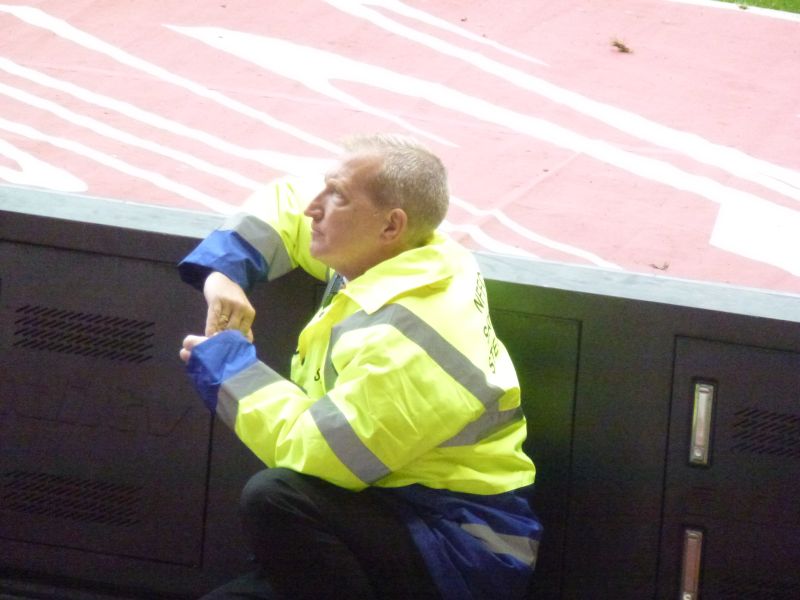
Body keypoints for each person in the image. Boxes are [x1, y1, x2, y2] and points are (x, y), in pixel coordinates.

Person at [178, 133, 542, 599]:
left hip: (457, 544)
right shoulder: (398, 252)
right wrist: (223, 272)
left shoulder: (413, 339)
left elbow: (319, 450)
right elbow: (289, 200)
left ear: (391, 225)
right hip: (375, 507)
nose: (315, 207)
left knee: (274, 496)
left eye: (337, 198)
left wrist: (227, 367)